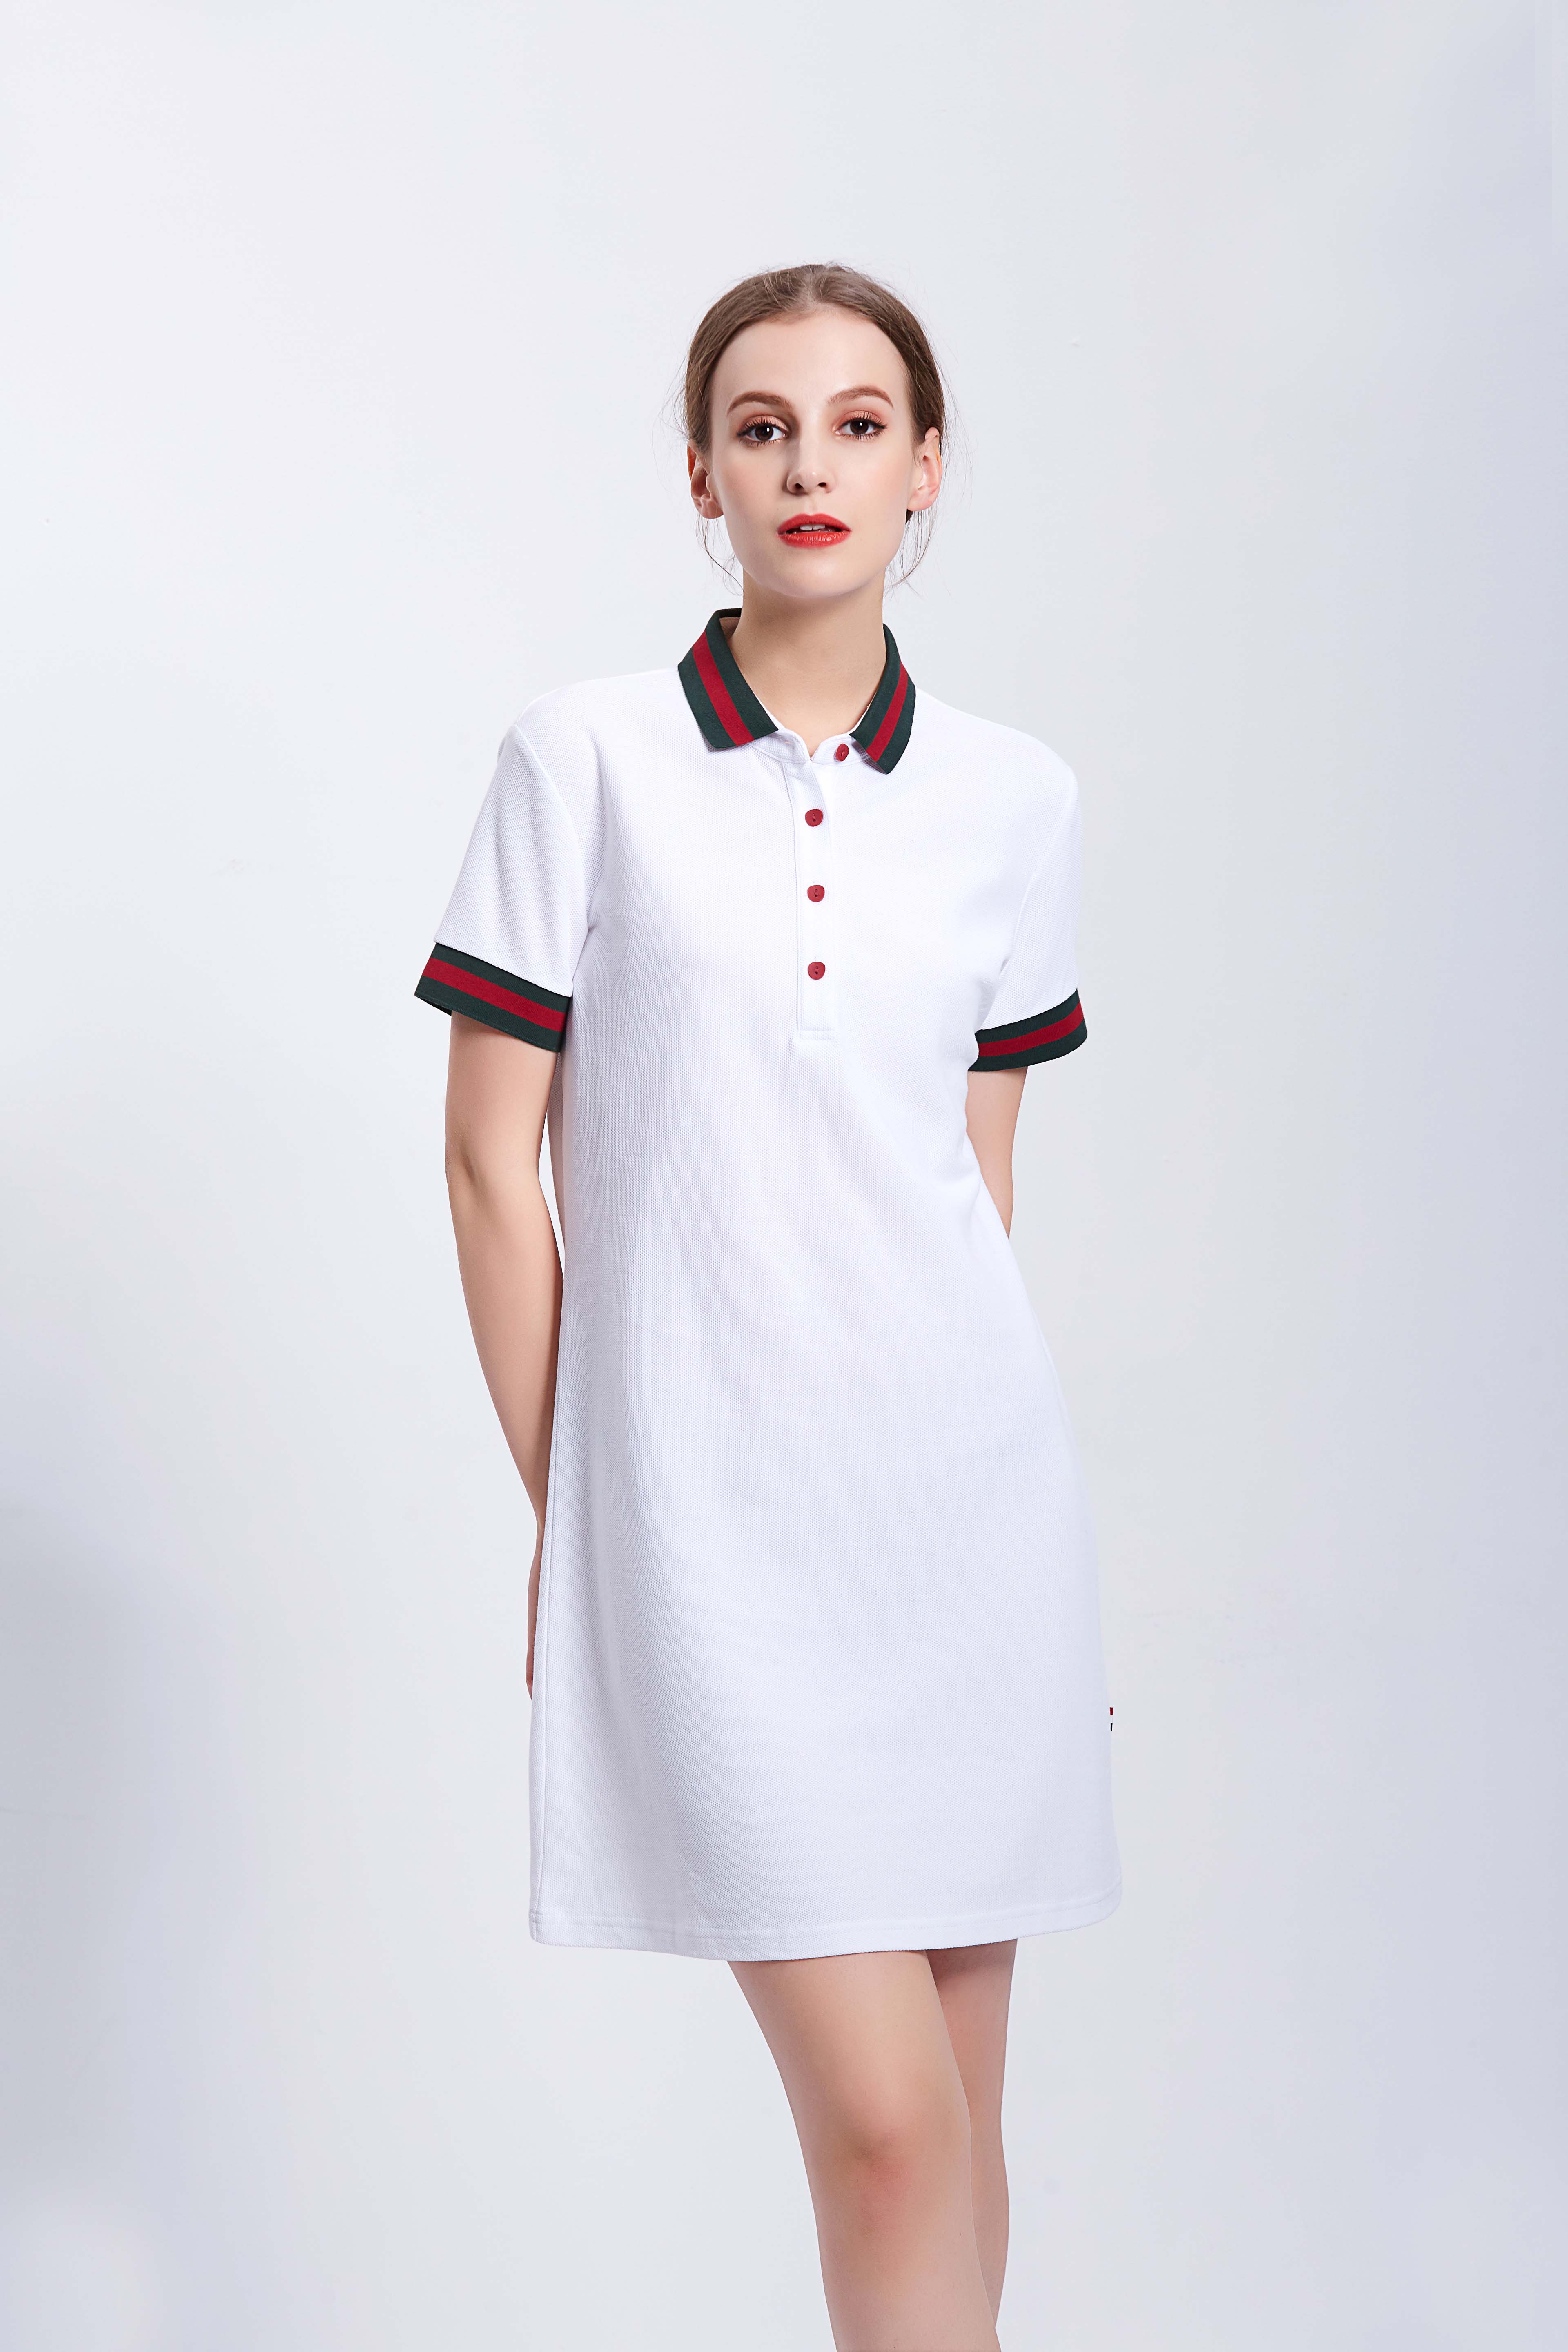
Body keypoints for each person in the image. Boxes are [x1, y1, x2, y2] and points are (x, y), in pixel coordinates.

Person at [415, 262, 1119, 2351]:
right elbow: (491, 1172)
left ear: (927, 466)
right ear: (702, 475)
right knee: (885, 2136)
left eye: (858, 423)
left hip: (969, 1534)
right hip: (707, 1537)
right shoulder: (585, 760)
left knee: (958, 2137)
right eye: (761, 424)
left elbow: (972, 1183)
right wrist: (585, 1521)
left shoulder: (1018, 798)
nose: (811, 462)